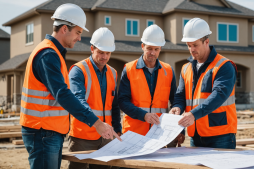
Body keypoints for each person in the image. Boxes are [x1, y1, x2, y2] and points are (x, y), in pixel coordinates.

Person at [20, 4, 121, 169]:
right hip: (43, 131)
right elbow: (64, 95)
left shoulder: (54, 54)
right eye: (78, 33)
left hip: (48, 131)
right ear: (65, 29)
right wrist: (96, 123)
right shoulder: (48, 54)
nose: (79, 38)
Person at [170, 18, 237, 149]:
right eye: (189, 45)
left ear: (206, 41)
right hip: (195, 135)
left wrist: (193, 114)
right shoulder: (186, 68)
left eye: (195, 45)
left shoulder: (224, 66)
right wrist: (177, 106)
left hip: (220, 134)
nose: (191, 49)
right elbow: (180, 95)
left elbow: (219, 95)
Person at [118, 24, 185, 147]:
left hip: (161, 134)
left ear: (160, 48)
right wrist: (143, 115)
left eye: (156, 49)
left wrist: (180, 129)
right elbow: (122, 101)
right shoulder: (129, 69)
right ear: (142, 46)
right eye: (149, 48)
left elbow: (176, 101)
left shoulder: (168, 70)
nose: (152, 53)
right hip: (134, 134)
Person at [68, 27, 121, 169]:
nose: (104, 56)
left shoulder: (113, 73)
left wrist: (118, 128)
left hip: (106, 138)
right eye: (101, 52)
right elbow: (78, 101)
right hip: (82, 137)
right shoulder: (78, 70)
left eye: (108, 53)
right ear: (92, 48)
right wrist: (97, 124)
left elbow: (114, 105)